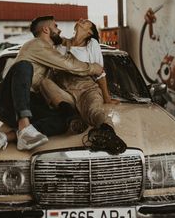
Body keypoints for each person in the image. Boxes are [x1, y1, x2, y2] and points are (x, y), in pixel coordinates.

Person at [0, 16, 103, 156]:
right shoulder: (35, 45)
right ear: (46, 29)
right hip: (5, 100)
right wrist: (94, 68)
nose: (59, 31)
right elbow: (67, 63)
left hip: (26, 103)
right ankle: (24, 127)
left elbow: (64, 60)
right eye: (56, 26)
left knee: (62, 120)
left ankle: (3, 137)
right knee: (24, 66)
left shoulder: (51, 51)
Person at [39, 18, 127, 155]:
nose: (81, 20)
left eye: (86, 21)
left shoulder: (92, 44)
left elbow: (100, 74)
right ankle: (72, 116)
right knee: (44, 82)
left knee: (95, 111)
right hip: (65, 94)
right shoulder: (60, 45)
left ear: (89, 32)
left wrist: (107, 98)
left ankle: (109, 134)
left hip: (87, 90)